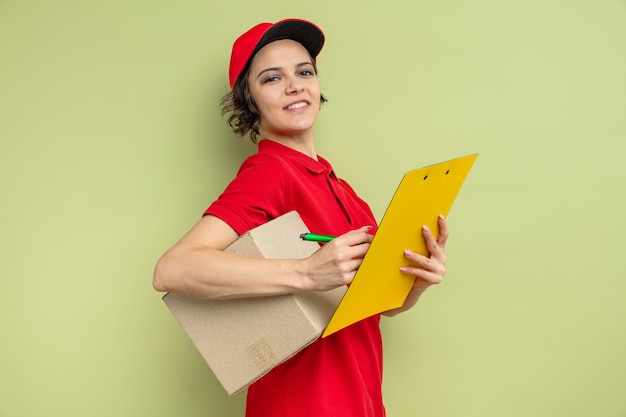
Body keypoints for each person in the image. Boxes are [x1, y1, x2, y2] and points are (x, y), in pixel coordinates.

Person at [153, 18, 448, 417]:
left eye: (304, 71)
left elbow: (381, 306)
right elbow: (172, 269)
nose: (295, 85)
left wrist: (417, 280)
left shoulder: (342, 190)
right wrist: (306, 273)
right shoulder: (271, 172)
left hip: (361, 400)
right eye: (272, 78)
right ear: (249, 100)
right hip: (303, 404)